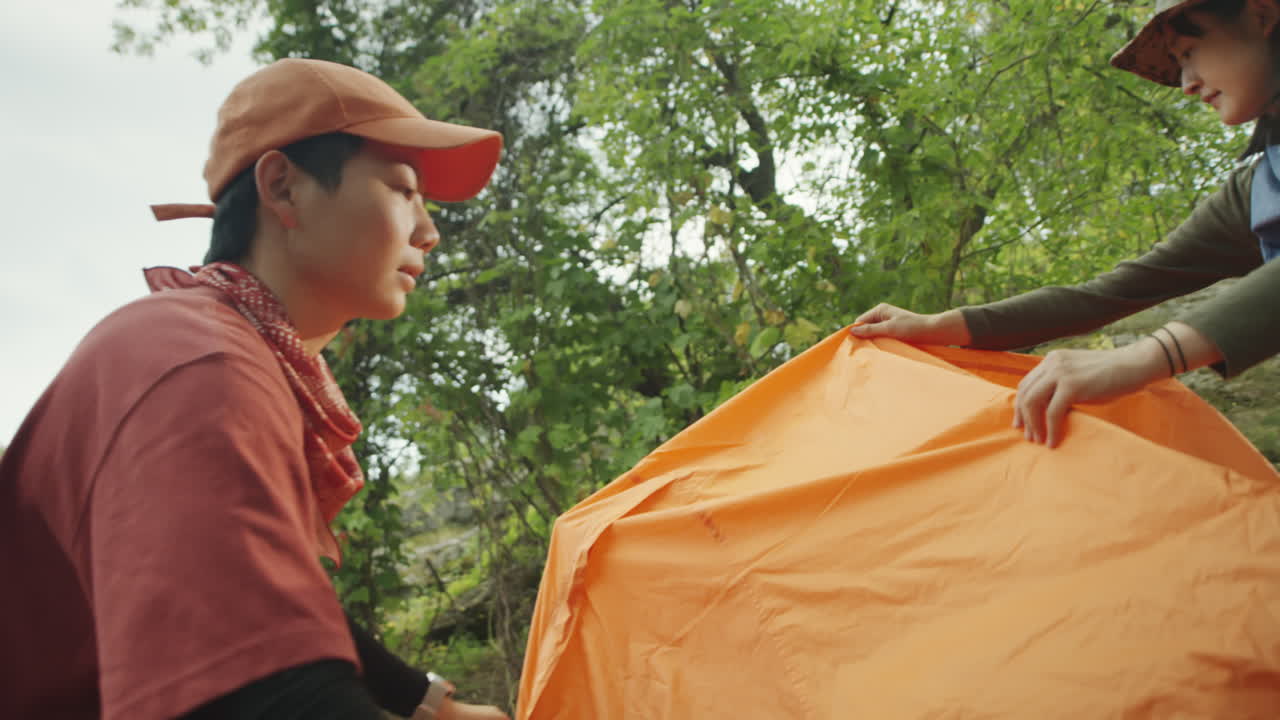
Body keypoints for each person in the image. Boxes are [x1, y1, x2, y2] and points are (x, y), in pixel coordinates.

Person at [0, 58, 509, 720]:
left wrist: (427, 702)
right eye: (401, 190)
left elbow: (261, 601)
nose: (429, 233)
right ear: (284, 188)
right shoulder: (195, 362)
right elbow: (265, 696)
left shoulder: (229, 351)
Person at [851, 0, 1280, 449]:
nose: (1187, 85)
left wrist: (1146, 357)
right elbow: (1114, 291)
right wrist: (942, 326)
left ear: (1261, 16)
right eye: (1177, 65)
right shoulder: (1258, 190)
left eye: (1189, 52)